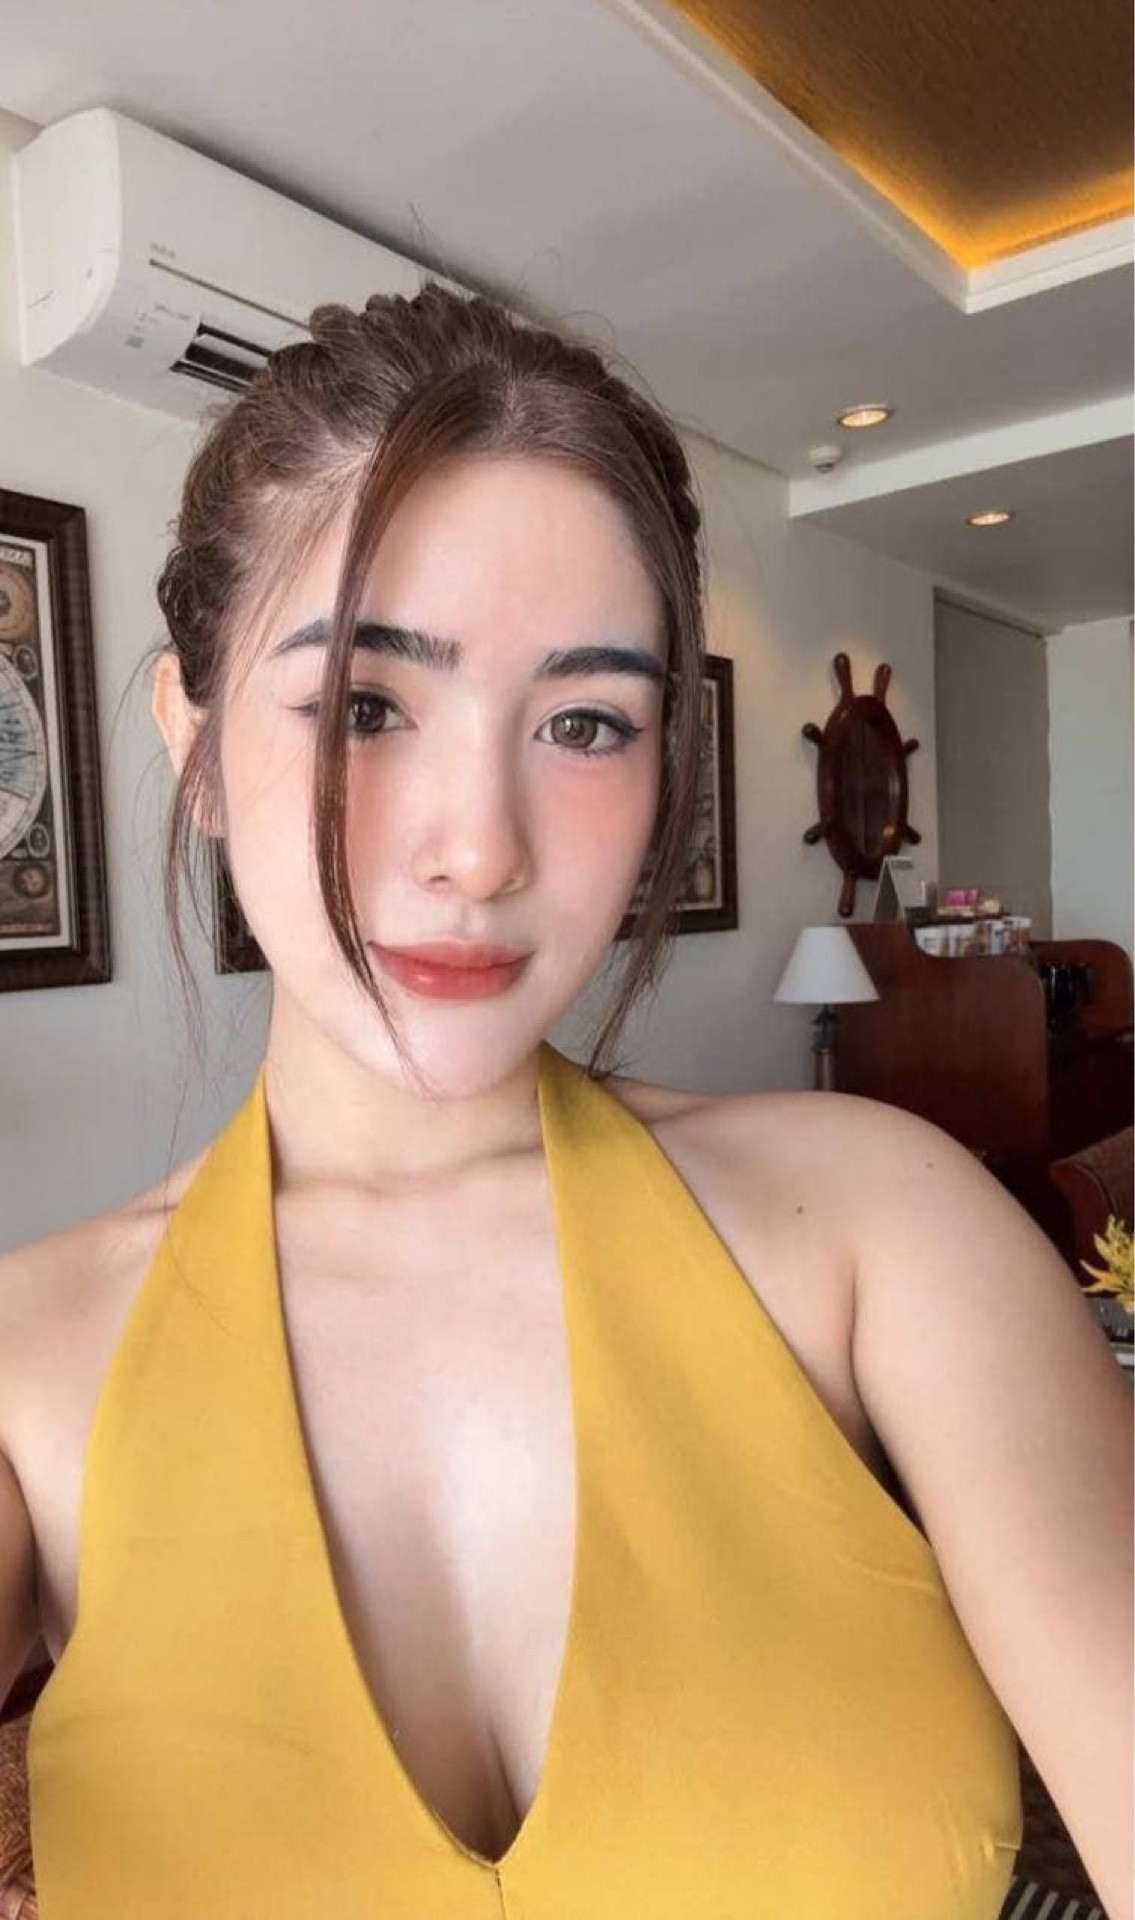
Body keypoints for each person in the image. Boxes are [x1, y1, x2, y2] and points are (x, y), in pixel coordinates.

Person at [0, 283, 1130, 1920]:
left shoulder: (887, 1226)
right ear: (193, 736)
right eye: (365, 705)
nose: (482, 849)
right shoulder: (28, 1359)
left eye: (585, 723)